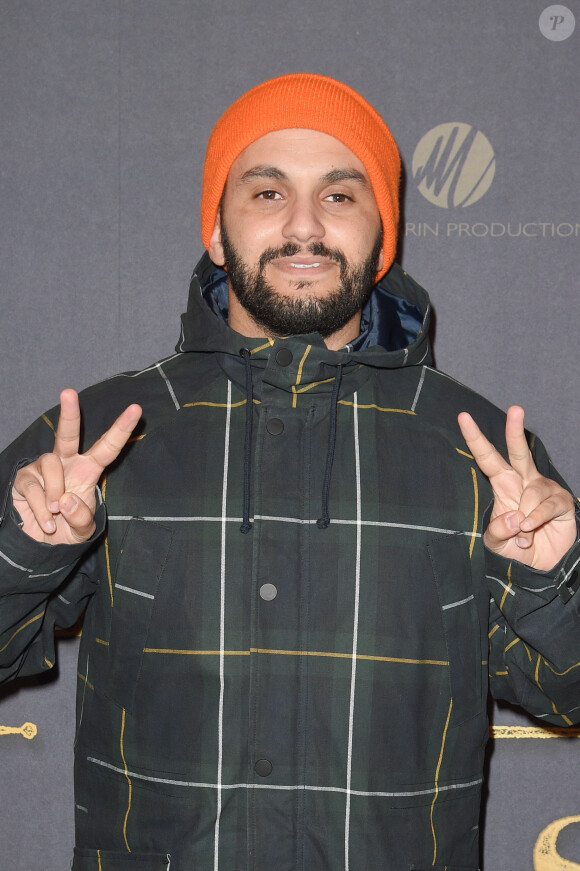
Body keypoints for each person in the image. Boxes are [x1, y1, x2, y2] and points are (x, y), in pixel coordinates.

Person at [0, 72, 578, 871]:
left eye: (340, 196)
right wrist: (27, 552)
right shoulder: (103, 432)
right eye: (267, 193)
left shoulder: (479, 448)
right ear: (216, 229)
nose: (303, 225)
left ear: (384, 237)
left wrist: (550, 585)